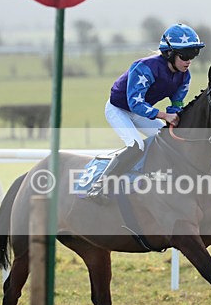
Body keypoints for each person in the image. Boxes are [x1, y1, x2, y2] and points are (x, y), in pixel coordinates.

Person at [87, 23, 204, 199]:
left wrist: (177, 120)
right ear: (169, 53)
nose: (189, 61)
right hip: (118, 109)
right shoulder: (144, 68)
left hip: (141, 112)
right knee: (136, 146)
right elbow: (135, 103)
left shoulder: (184, 76)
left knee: (169, 141)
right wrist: (164, 115)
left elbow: (176, 104)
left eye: (193, 54)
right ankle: (99, 186)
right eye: (185, 55)